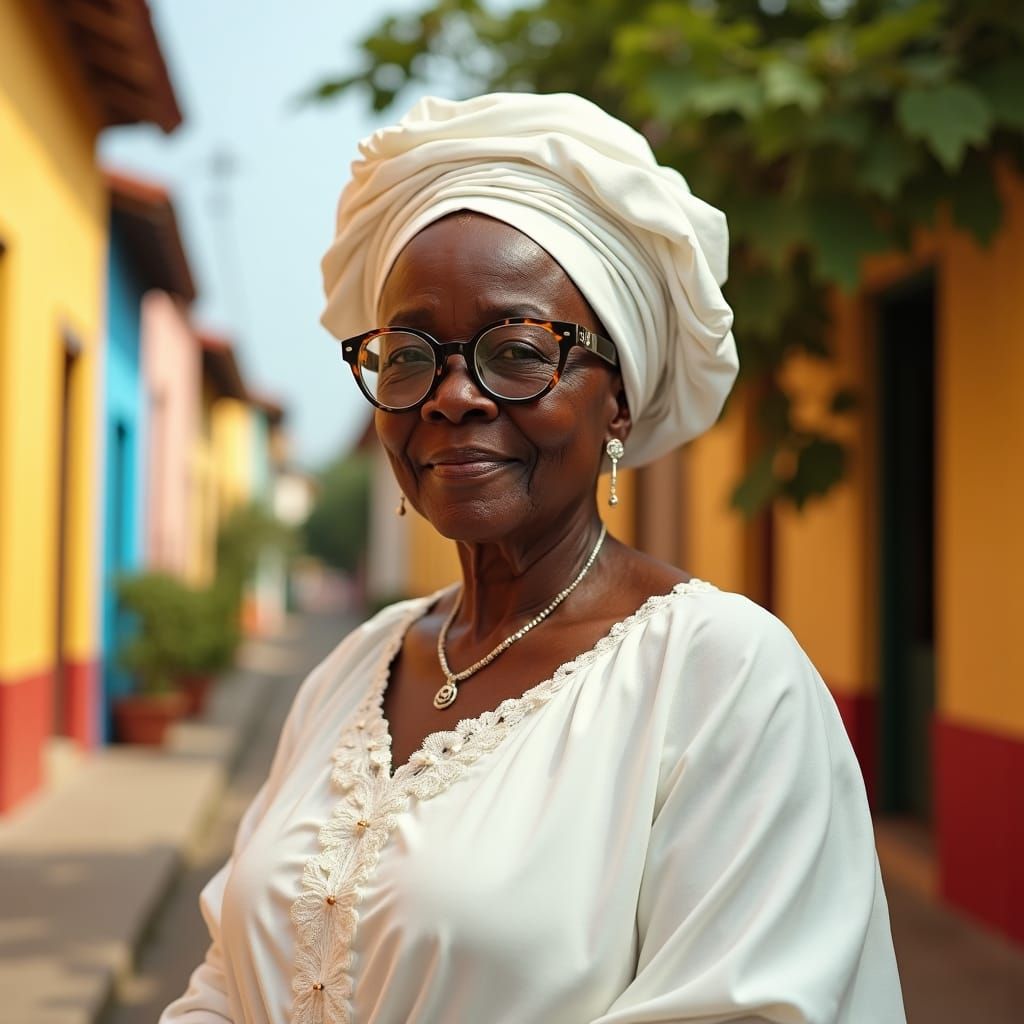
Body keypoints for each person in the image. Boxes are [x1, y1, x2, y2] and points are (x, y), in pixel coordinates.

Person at [162, 93, 905, 1024]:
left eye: (517, 350)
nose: (451, 395)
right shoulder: (352, 672)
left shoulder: (720, 679)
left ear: (619, 400)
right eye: (406, 355)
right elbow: (228, 977)